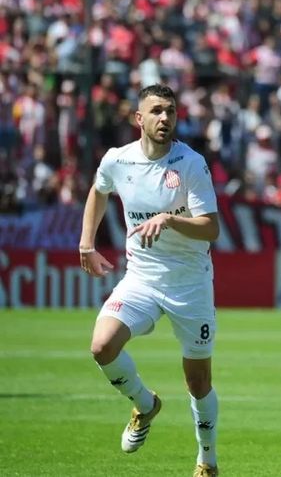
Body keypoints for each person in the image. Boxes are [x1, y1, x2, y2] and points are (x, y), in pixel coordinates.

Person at [80, 84, 221, 477]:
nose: (165, 118)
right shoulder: (117, 160)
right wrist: (86, 243)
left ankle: (207, 460)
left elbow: (211, 229)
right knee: (102, 346)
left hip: (190, 283)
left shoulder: (190, 163)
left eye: (171, 111)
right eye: (156, 111)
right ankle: (145, 404)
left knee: (198, 382)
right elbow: (99, 189)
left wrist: (171, 219)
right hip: (141, 277)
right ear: (138, 119)